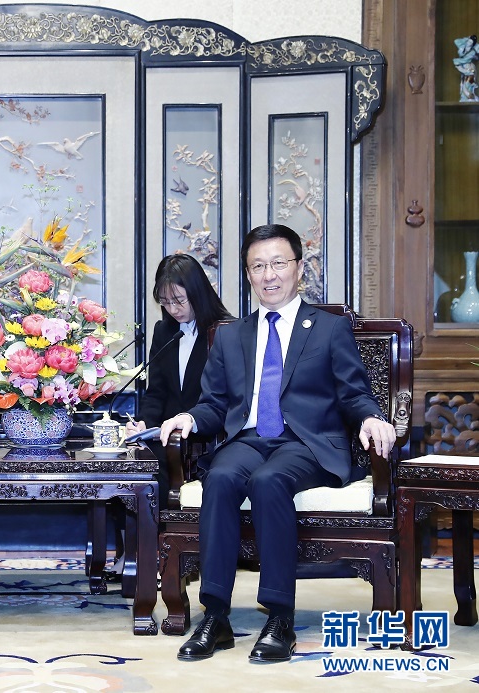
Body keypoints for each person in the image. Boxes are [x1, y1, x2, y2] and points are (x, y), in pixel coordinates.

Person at [159, 223, 396, 664]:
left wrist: (370, 418)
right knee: (221, 478)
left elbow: (354, 392)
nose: (269, 275)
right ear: (248, 274)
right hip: (248, 439)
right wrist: (189, 417)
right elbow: (214, 404)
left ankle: (280, 617)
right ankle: (216, 616)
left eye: (278, 263)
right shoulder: (231, 335)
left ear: (299, 269)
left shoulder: (329, 329)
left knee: (269, 481)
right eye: (258, 266)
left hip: (307, 443)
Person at [125, 252, 233, 505]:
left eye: (179, 301)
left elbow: (228, 398)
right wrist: (143, 424)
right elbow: (156, 391)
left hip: (208, 437)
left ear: (198, 293)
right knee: (133, 471)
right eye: (165, 302)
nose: (173, 310)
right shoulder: (164, 331)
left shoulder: (226, 331)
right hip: (167, 437)